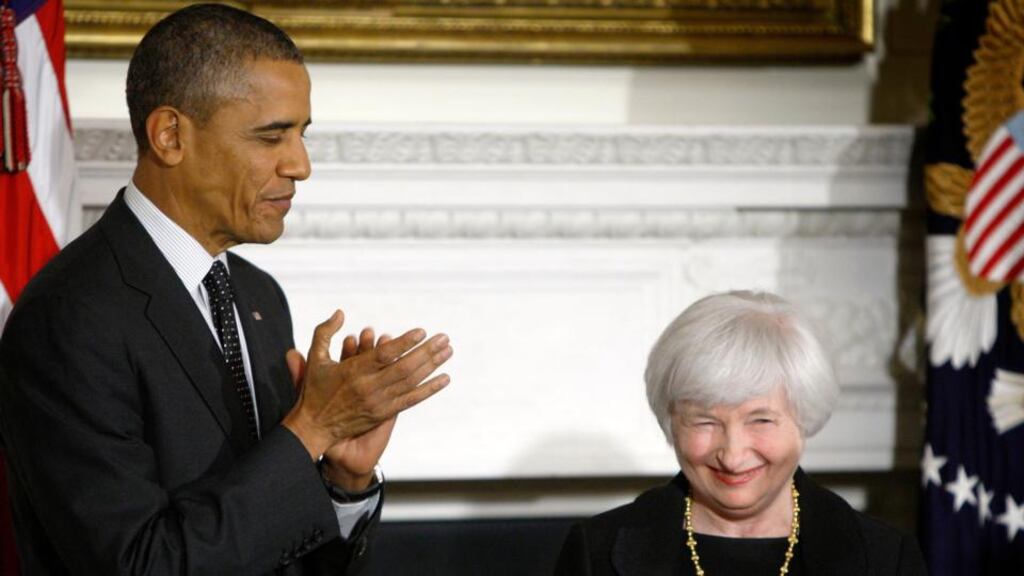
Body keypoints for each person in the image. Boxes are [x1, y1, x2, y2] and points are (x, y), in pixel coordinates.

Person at [0, 4, 453, 574]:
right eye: (272, 137)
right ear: (170, 136)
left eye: (301, 134)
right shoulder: (68, 318)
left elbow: (277, 546)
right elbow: (139, 564)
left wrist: (342, 480)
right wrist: (311, 428)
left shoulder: (258, 297)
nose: (301, 165)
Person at [555, 291, 926, 575]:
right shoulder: (597, 554)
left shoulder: (884, 559)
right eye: (705, 421)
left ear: (804, 417)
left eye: (760, 420)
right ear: (671, 420)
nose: (732, 455)